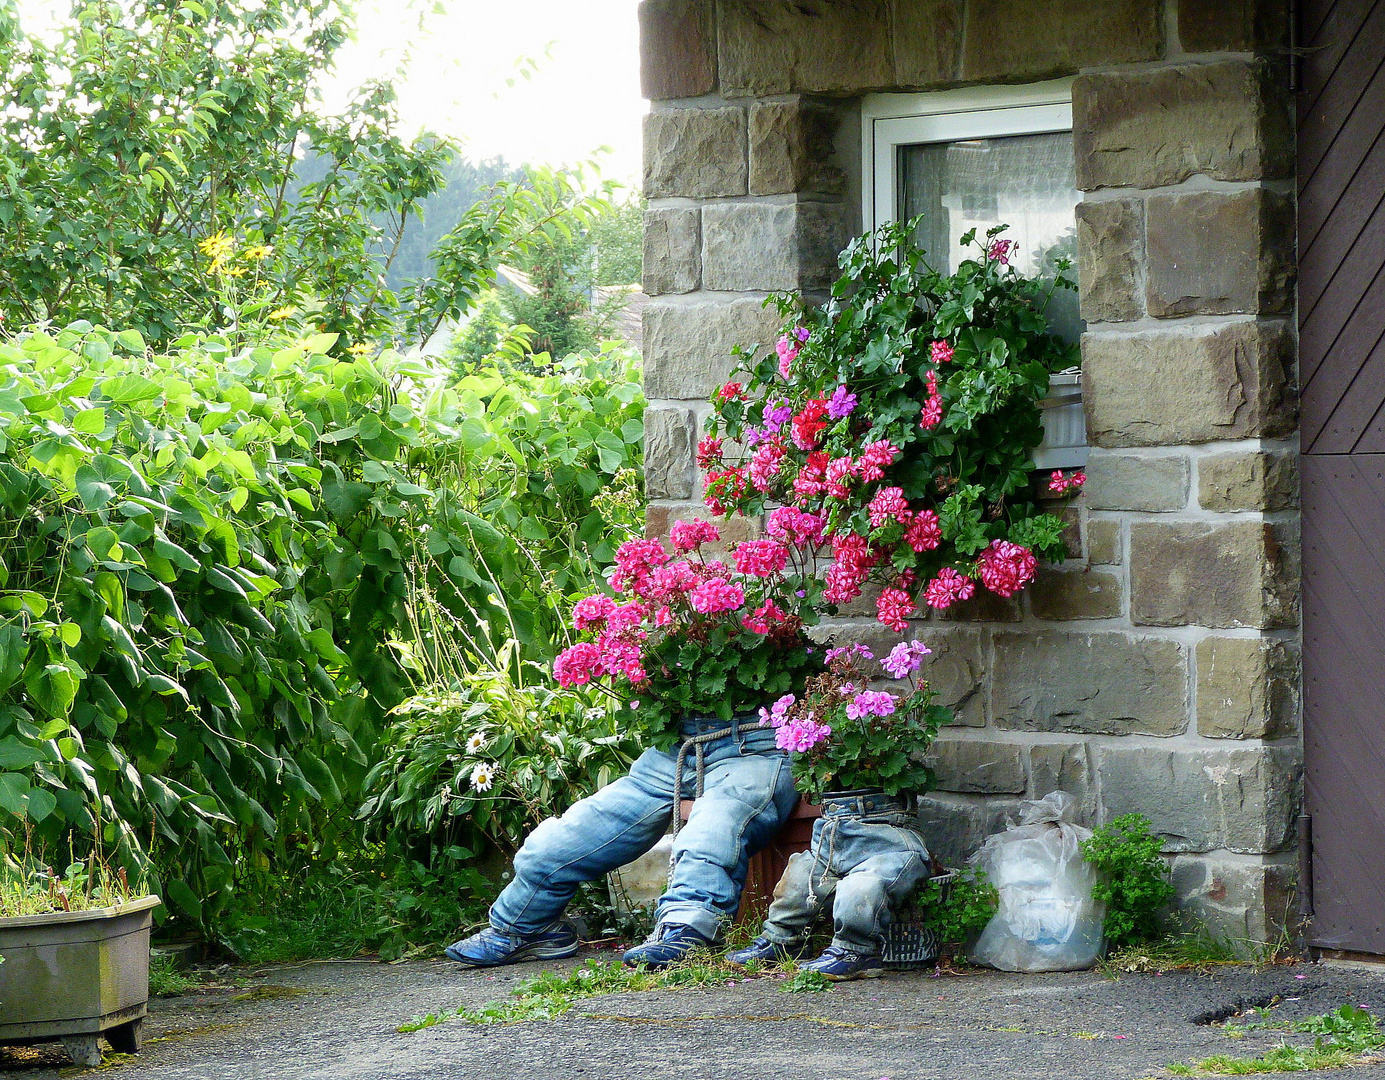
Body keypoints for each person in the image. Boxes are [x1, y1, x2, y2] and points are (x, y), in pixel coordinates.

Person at [446, 712, 798, 969]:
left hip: (758, 746)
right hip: (678, 748)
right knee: (566, 836)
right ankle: (526, 929)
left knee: (713, 827)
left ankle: (687, 932)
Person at [725, 788, 930, 980]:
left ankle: (855, 950)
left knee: (863, 887)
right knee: (801, 878)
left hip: (886, 834)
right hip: (833, 831)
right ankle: (784, 938)